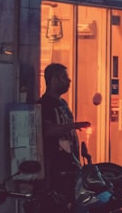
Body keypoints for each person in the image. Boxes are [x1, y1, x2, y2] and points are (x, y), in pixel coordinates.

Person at [38, 63, 90, 203]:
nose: (69, 81)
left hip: (70, 164)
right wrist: (74, 125)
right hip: (55, 166)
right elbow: (48, 130)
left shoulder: (63, 104)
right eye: (65, 77)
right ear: (54, 80)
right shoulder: (45, 104)